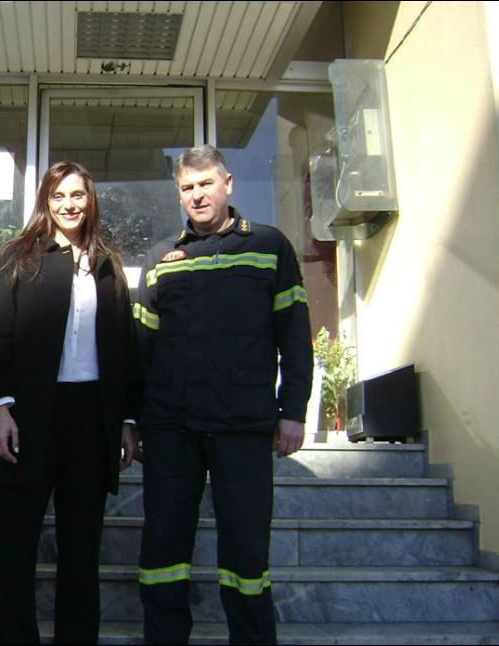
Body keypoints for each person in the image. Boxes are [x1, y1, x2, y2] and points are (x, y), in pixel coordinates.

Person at [134, 144, 313, 645]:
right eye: (187, 188)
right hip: (172, 427)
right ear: (179, 194)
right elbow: (140, 347)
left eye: (206, 184)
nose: (197, 195)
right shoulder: (161, 258)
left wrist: (293, 410)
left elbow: (294, 336)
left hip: (243, 424)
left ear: (228, 184)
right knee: (163, 550)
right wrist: (133, 419)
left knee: (246, 554)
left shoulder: (270, 246)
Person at [0, 161, 141, 644]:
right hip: (30, 416)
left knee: (81, 550)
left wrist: (126, 419)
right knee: (16, 546)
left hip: (90, 417)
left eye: (77, 195)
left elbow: (124, 346)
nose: (69, 204)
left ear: (90, 200)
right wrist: (1, 408)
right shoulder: (18, 257)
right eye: (58, 195)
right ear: (45, 202)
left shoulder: (108, 263)